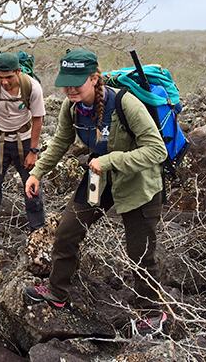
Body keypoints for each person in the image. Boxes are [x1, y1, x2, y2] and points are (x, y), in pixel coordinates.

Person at [21, 50, 168, 336]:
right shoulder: (72, 107)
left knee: (140, 252)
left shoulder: (125, 103)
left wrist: (109, 161)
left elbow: (156, 150)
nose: (71, 88)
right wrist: (37, 172)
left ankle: (152, 313)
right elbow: (61, 142)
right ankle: (57, 292)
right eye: (66, 82)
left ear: (94, 77)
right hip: (98, 178)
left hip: (138, 183)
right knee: (67, 230)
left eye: (77, 82)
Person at [0, 52, 46, 248]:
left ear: (18, 71)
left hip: (25, 140)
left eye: (9, 77)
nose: (4, 82)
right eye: (0, 77)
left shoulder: (32, 87)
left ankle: (37, 230)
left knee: (32, 186)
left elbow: (38, 119)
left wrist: (34, 150)